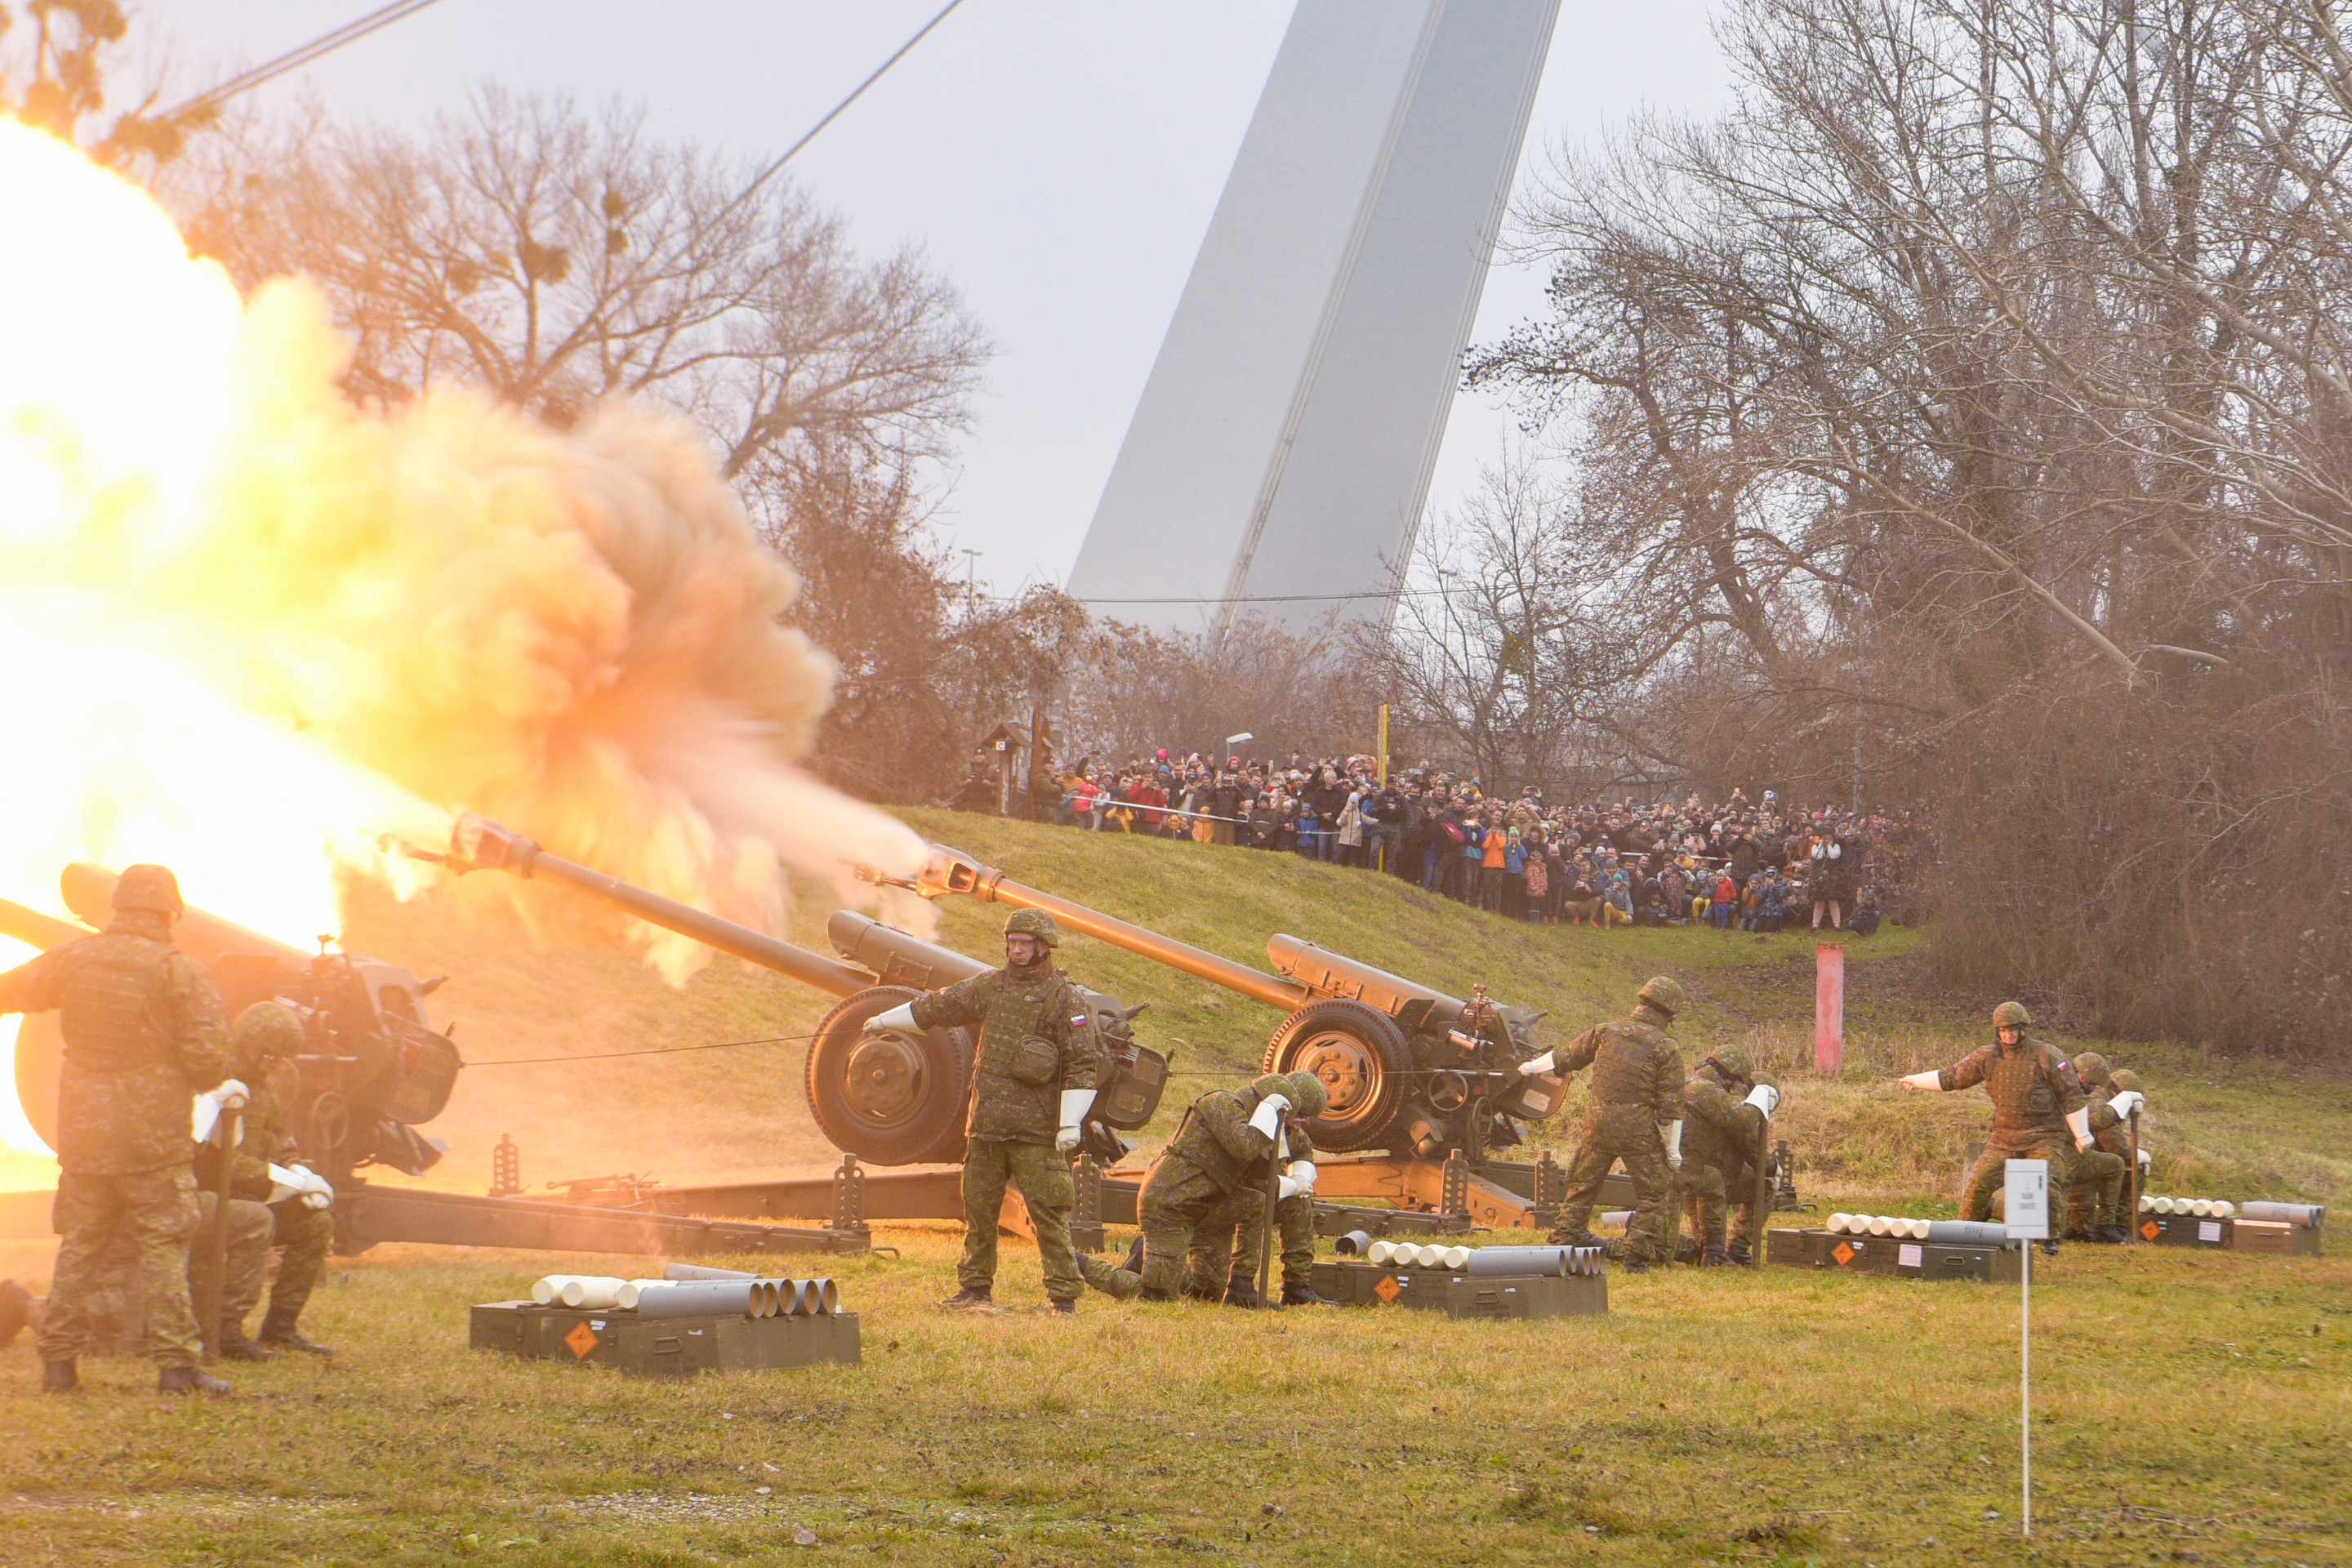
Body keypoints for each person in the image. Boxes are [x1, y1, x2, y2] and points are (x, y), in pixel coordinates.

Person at [0, 865, 241, 1395]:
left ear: (118, 908)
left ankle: (58, 1367)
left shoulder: (73, 958)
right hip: (150, 1142)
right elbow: (207, 1066)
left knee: (79, 1247)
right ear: (170, 912)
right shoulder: (180, 972)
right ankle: (177, 1369)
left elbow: (10, 991)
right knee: (163, 1247)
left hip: (84, 1136)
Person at [868, 909, 1103, 1314]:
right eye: (1011, 941)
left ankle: (1063, 1297)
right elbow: (940, 1007)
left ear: (1043, 948)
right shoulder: (990, 987)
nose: (1016, 949)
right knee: (979, 1214)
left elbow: (1083, 1063)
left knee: (1048, 1215)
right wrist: (883, 1021)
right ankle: (974, 1290)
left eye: (1024, 943)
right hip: (987, 1127)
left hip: (1037, 1132)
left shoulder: (1067, 998)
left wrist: (1069, 1122)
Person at [1076, 1071, 1328, 1303]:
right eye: (1296, 1116)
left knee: (1208, 1291)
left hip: (1209, 1205)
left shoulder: (1280, 1126)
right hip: (1171, 1208)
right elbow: (1246, 1147)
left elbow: (1300, 1151)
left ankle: (1247, 1287)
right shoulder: (1222, 1105)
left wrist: (1301, 1179)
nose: (1298, 1124)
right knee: (1156, 1296)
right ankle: (1079, 1263)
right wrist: (1289, 1180)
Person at [1897, 1001, 2093, 1250]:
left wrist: (2082, 1133)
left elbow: (2071, 1095)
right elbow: (1952, 1077)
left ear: (2023, 1029)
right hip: (2004, 1138)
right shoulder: (1986, 1057)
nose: (2009, 1035)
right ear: (1997, 1032)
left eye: (2013, 1030)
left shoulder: (2047, 1055)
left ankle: (2050, 1238)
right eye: (2003, 1030)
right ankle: (1964, 1231)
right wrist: (1915, 1080)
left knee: (2050, 1182)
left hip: (2044, 1136)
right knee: (1978, 1183)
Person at [1538, 976, 1688, 1272]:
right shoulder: (1667, 1047)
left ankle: (1563, 1240)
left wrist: (1528, 1067)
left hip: (1597, 1124)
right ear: (1669, 1013)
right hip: (1638, 1131)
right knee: (1655, 1192)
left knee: (1582, 1185)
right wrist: (1672, 1150)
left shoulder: (1606, 1031)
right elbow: (1670, 1108)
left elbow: (1564, 1058)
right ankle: (1636, 1256)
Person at [221, 1003, 338, 1352]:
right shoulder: (221, 1081)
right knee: (255, 1223)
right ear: (250, 1044)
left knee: (316, 1224)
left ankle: (280, 1328)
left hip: (256, 1191)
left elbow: (281, 1136)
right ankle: (225, 1330)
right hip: (217, 1194)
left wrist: (298, 1170)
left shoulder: (263, 1086)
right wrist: (277, 1178)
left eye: (280, 1060)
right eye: (270, 1057)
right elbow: (217, 1160)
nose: (275, 1066)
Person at [1671, 1049, 1777, 1266]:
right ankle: (1731, 1250)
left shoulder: (1686, 1084)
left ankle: (1706, 1251)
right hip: (1693, 1176)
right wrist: (1774, 1168)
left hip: (1684, 1170)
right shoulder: (1708, 1092)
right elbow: (1748, 1136)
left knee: (1711, 1180)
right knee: (1760, 1184)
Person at [2062, 1051, 2132, 1243]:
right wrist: (2122, 1103)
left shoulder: (2063, 1086)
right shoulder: (2071, 1093)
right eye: (2091, 1084)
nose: (2091, 1089)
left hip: (2062, 1154)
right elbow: (2095, 1120)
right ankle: (2106, 1225)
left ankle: (1994, 1208)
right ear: (2082, 1076)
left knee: (2073, 1226)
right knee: (2115, 1165)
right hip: (2063, 1156)